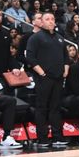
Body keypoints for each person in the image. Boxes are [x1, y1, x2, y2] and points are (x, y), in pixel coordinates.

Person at [25, 13, 69, 148]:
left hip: (58, 78)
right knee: (42, 108)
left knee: (55, 107)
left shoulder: (60, 38)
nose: (50, 21)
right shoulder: (35, 38)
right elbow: (30, 57)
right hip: (44, 78)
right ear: (41, 22)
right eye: (47, 19)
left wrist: (65, 70)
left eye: (52, 19)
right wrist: (41, 73)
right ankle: (42, 138)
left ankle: (57, 136)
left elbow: (66, 57)